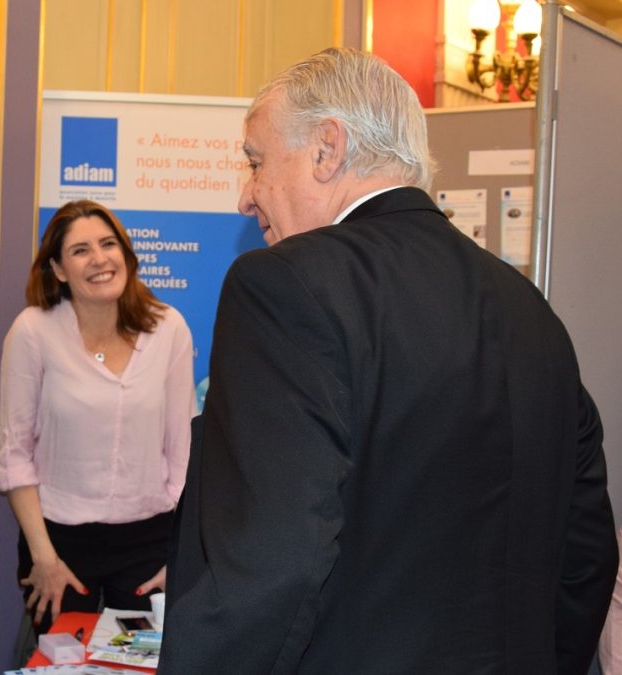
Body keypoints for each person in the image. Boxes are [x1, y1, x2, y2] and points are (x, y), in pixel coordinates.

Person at [159, 48, 617, 674]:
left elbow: (270, 564)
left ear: (327, 149)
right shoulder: (528, 307)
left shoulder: (284, 286)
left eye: (256, 162)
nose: (246, 197)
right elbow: (585, 553)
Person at [0, 200, 196, 634]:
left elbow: (184, 454)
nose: (100, 258)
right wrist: (43, 557)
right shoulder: (33, 331)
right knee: (61, 662)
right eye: (81, 250)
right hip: (58, 546)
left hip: (150, 545)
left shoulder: (169, 329)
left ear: (126, 253)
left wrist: (181, 554)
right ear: (58, 269)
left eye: (108, 244)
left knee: (145, 662)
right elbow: (14, 456)